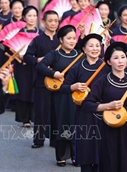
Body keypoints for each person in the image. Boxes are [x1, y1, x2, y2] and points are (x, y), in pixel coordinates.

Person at [82, 42, 127, 172]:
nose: (120, 61)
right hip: (110, 128)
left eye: (122, 57)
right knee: (111, 160)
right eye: (116, 58)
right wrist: (107, 106)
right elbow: (88, 104)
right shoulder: (102, 81)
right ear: (109, 62)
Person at [60, 34, 110, 171]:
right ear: (84, 49)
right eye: (91, 45)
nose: (95, 48)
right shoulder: (77, 68)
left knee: (102, 149)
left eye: (97, 46)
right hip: (84, 113)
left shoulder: (106, 67)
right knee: (86, 147)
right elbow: (63, 88)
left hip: (103, 111)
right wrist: (74, 87)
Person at [36, 25, 82, 167]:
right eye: (68, 38)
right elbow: (41, 66)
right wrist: (53, 74)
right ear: (61, 39)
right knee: (61, 123)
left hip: (76, 94)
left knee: (76, 124)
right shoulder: (55, 54)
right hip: (60, 95)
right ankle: (61, 155)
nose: (72, 41)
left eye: (74, 38)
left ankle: (76, 155)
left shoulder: (80, 55)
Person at [24, 10, 60, 148]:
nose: (53, 24)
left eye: (56, 21)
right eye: (50, 21)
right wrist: (38, 60)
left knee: (56, 112)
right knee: (41, 111)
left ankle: (55, 140)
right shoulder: (38, 40)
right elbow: (28, 57)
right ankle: (38, 140)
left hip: (58, 80)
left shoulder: (60, 40)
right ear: (44, 22)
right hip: (41, 81)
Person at [11, 6, 42, 127]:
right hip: (21, 65)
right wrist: (18, 56)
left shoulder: (40, 33)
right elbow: (12, 46)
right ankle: (24, 118)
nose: (32, 18)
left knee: (34, 91)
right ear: (24, 17)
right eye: (29, 15)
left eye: (34, 15)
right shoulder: (19, 33)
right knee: (24, 90)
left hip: (35, 65)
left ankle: (34, 117)